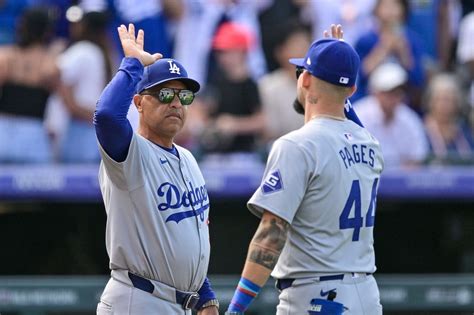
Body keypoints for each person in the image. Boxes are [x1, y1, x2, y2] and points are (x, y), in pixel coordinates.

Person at [225, 25, 384, 315]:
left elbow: (270, 237)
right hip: (367, 296)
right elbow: (345, 112)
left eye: (302, 72)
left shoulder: (296, 145)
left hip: (318, 297)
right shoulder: (370, 142)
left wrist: (236, 309)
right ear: (351, 89)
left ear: (307, 79)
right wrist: (339, 62)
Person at [94, 24, 219, 315]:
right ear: (138, 102)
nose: (176, 103)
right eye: (164, 94)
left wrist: (205, 296)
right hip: (138, 299)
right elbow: (107, 117)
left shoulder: (188, 158)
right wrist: (133, 64)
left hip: (181, 304)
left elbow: (191, 235)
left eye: (184, 96)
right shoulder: (130, 154)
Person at [0, 7, 59, 163]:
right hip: (33, 135)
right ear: (46, 32)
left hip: (4, 132)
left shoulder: (5, 57)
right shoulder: (50, 62)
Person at [354, 62, 428, 168]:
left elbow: (416, 159)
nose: (394, 97)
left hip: (400, 183)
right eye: (389, 92)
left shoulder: (409, 119)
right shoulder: (359, 116)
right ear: (375, 92)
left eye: (398, 92)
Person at [423, 73, 474, 164]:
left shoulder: (464, 133)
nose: (444, 105)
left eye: (448, 100)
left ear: (457, 103)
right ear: (431, 102)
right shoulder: (421, 133)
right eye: (440, 99)